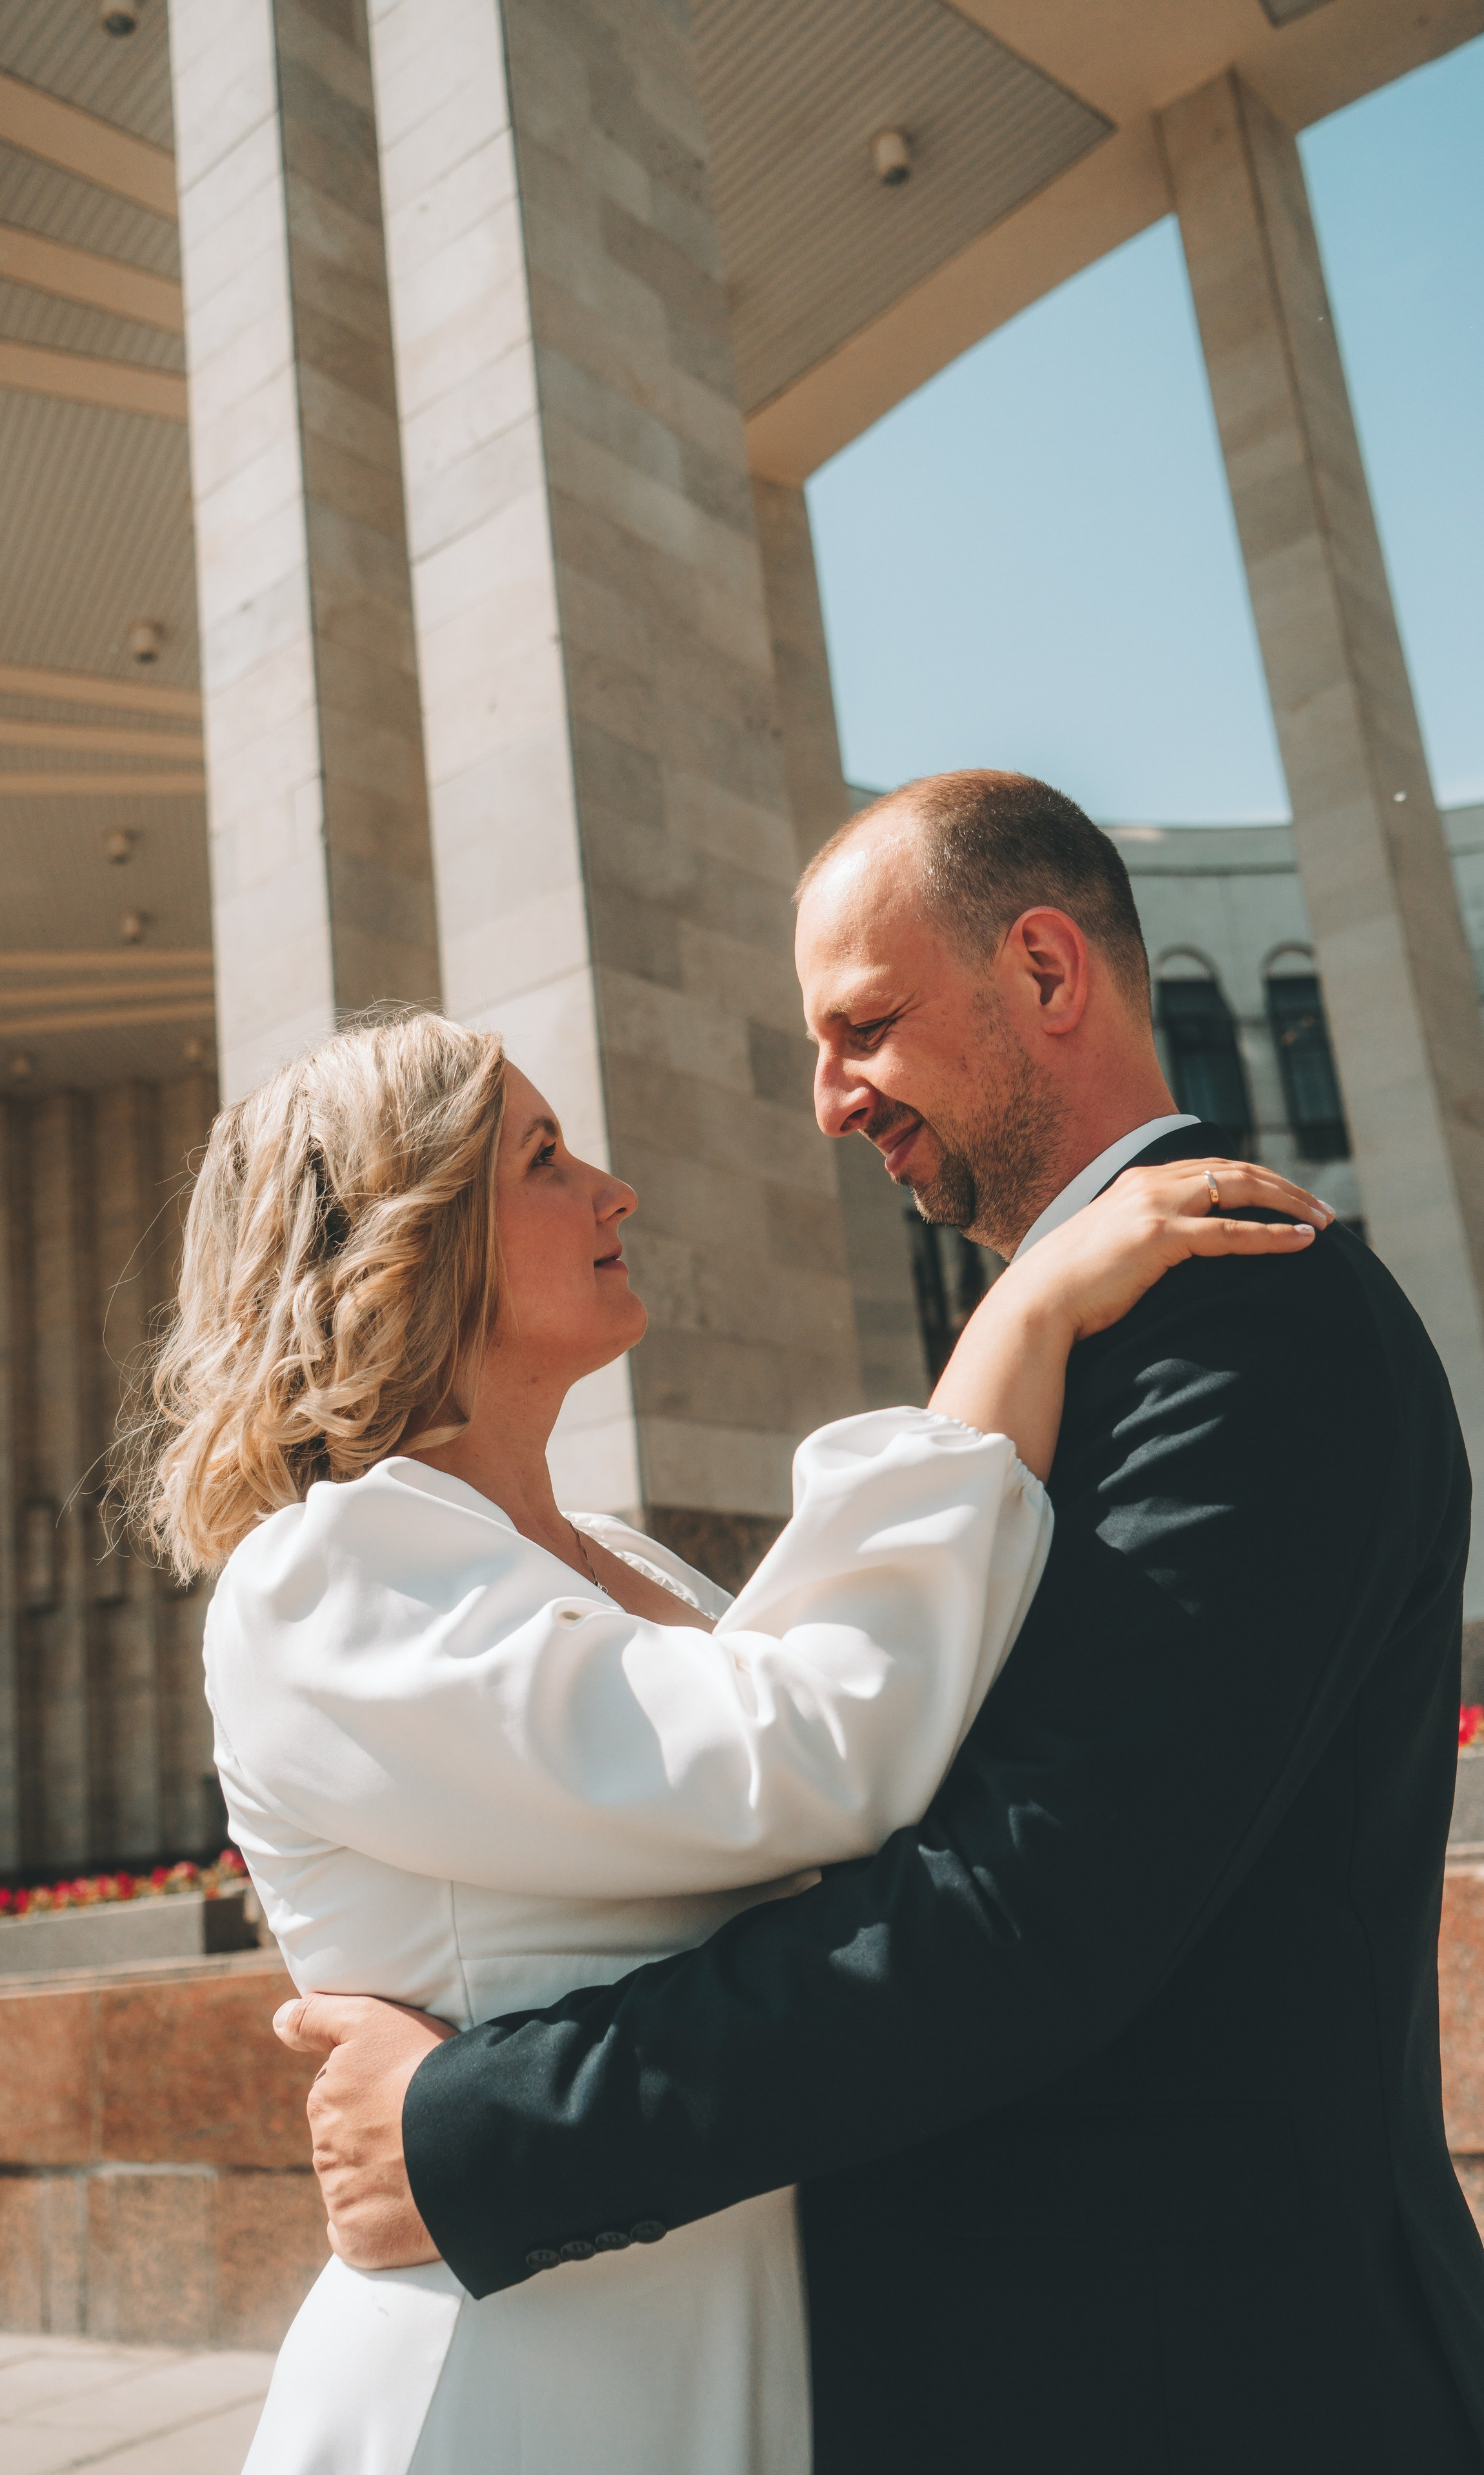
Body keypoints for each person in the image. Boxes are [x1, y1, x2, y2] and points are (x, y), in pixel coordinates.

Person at [278, 773, 1484, 2474]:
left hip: (1195, 2381)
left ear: (1045, 972)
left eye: (863, 1027)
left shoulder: (1239, 1319)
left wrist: (474, 2130)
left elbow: (1022, 1910)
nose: (831, 1102)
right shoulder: (1104, 1327)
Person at [130, 986, 1321, 2474]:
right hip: (520, 2382)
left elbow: (880, 1758)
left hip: (721, 2346)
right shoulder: (324, 1576)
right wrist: (1018, 1322)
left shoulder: (618, 1563)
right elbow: (808, 1751)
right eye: (544, 1158)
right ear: (409, 1233)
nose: (612, 1189)